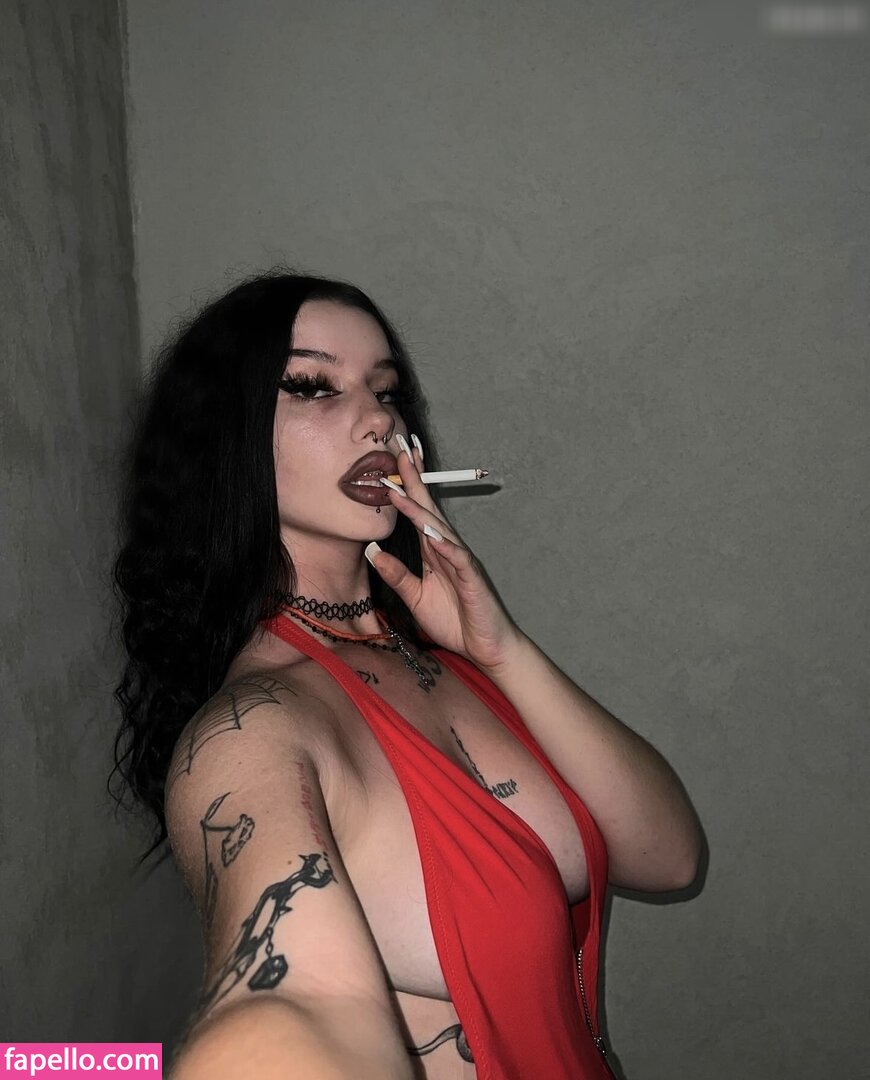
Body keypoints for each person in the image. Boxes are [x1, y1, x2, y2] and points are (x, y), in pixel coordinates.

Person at [111, 270, 702, 1079]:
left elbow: (669, 858)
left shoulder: (449, 659)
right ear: (224, 436)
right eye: (313, 386)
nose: (379, 420)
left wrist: (503, 651)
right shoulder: (253, 728)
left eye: (385, 391)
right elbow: (293, 1008)